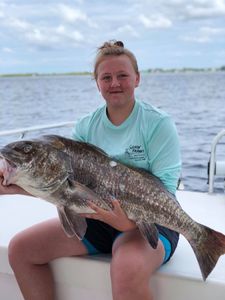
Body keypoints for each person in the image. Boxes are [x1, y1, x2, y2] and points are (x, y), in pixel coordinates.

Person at [0, 40, 181, 300]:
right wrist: (16, 187)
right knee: (20, 250)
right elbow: (64, 189)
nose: (114, 83)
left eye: (122, 75)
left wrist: (127, 222)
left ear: (137, 79)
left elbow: (166, 190)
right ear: (97, 83)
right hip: (97, 219)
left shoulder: (158, 124)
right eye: (106, 77)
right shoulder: (86, 126)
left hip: (153, 220)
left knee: (126, 268)